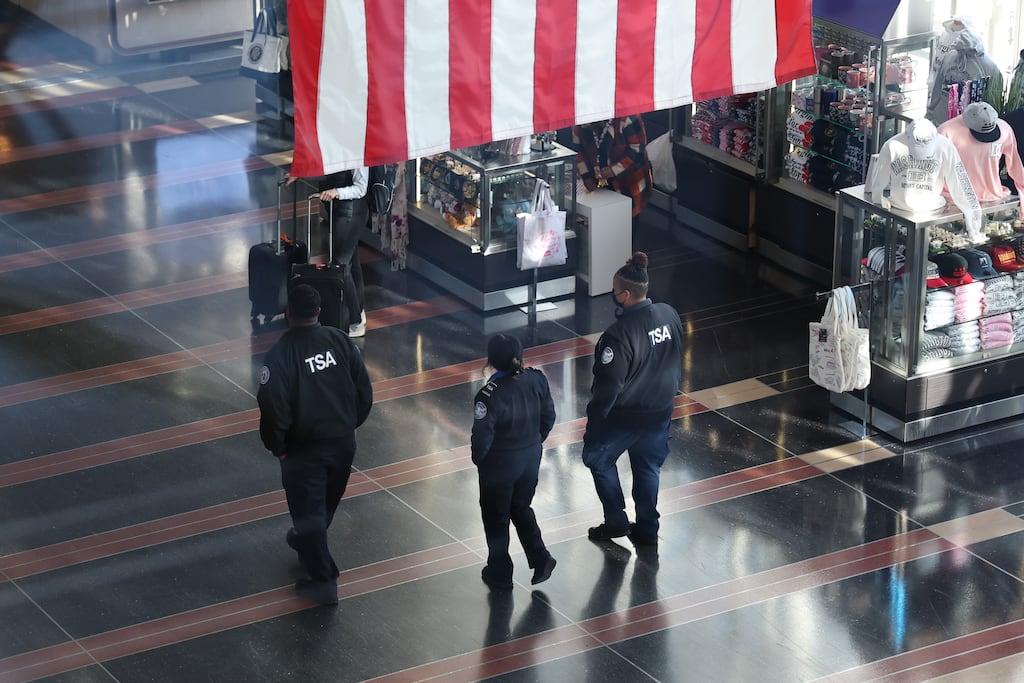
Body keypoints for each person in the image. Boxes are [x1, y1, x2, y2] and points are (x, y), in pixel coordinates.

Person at [257, 284, 374, 605]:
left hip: (303, 451)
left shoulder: (280, 356)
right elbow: (364, 389)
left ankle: (324, 581)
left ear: (289, 313)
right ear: (319, 311)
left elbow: (273, 407)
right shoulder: (339, 341)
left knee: (308, 510)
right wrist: (350, 425)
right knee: (326, 503)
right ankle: (306, 540)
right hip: (342, 444)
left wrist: (277, 446)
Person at [582, 252, 684, 546]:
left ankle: (616, 520)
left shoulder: (618, 335)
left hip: (623, 419)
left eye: (614, 292)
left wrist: (595, 419)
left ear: (625, 294)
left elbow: (608, 386)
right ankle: (648, 528)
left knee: (597, 460)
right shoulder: (669, 314)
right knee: (648, 469)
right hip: (660, 414)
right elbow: (676, 356)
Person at [471, 334, 557, 590]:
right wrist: (534, 441)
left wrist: (480, 461)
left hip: (500, 465)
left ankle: (500, 569)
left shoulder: (488, 395)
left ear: (492, 360)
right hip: (530, 458)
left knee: (496, 517)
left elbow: (482, 436)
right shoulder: (537, 379)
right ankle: (540, 557)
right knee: (520, 507)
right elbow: (549, 416)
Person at [287, 168, 369, 337]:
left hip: (351, 212)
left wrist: (336, 192)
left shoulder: (356, 152)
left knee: (340, 265)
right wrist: (302, 173)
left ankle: (355, 320)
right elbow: (329, 172)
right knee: (352, 264)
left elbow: (361, 188)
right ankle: (358, 313)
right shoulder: (340, 149)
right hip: (341, 210)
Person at [573, 116, 654, 218]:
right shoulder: (582, 119)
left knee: (627, 222)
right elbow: (578, 150)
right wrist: (586, 176)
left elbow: (638, 149)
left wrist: (614, 170)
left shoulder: (627, 118)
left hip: (629, 182)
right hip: (598, 181)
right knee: (602, 220)